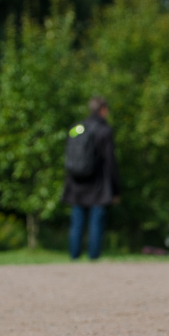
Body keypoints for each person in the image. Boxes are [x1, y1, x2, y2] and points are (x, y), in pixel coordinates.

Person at [61, 96, 120, 261]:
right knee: (96, 223)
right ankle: (93, 257)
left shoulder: (76, 128)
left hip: (76, 183)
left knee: (77, 222)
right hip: (98, 185)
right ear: (103, 110)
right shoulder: (104, 131)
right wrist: (115, 188)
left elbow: (69, 144)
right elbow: (110, 161)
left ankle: (74, 256)